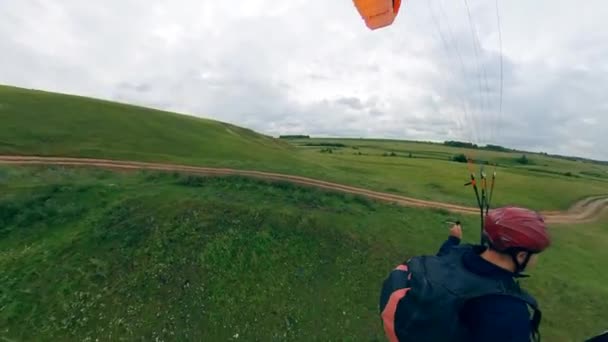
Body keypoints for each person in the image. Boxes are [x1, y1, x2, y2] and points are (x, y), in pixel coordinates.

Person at [379, 206, 551, 342]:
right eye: (535, 255)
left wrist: (453, 239)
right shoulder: (508, 309)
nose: (535, 260)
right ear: (521, 256)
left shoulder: (461, 253)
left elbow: (444, 260)